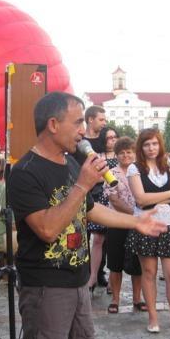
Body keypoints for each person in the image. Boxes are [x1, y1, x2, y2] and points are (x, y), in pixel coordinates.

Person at [8, 91, 166, 339]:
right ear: (53, 124)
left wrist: (136, 221)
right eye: (78, 122)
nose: (84, 130)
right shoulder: (25, 171)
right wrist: (81, 184)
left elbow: (89, 210)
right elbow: (47, 229)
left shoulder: (70, 163)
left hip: (78, 285)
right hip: (45, 289)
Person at [127, 129, 170, 333]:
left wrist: (158, 197)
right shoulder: (134, 168)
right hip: (146, 224)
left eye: (155, 144)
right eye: (147, 144)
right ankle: (153, 318)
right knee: (149, 273)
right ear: (141, 147)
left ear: (160, 145)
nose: (151, 148)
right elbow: (141, 199)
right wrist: (169, 194)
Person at [103, 136, 144, 313]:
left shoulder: (141, 171)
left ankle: (137, 298)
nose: (126, 155)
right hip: (117, 223)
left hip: (137, 224)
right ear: (116, 155)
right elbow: (114, 199)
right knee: (115, 263)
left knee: (137, 265)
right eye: (122, 153)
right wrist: (133, 214)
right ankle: (115, 299)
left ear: (135, 153)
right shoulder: (110, 173)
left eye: (129, 152)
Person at [74, 105, 109, 288]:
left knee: (101, 238)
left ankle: (98, 272)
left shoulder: (105, 140)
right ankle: (85, 273)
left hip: (103, 191)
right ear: (90, 119)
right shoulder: (80, 142)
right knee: (83, 235)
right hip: (84, 191)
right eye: (101, 119)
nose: (104, 123)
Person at [86, 126, 119, 292]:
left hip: (118, 200)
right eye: (109, 138)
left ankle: (112, 280)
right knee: (98, 240)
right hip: (101, 198)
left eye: (114, 137)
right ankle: (92, 277)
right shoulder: (99, 156)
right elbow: (94, 177)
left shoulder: (123, 155)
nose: (112, 140)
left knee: (114, 241)